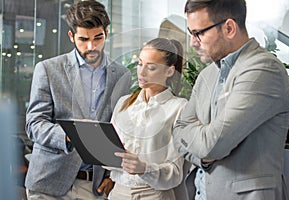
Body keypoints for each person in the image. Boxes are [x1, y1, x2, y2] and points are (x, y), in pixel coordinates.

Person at [173, 0, 289, 200]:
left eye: (199, 33)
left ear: (229, 28)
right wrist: (204, 156)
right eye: (191, 33)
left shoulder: (263, 70)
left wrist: (202, 139)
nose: (193, 42)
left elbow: (211, 145)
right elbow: (178, 132)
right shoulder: (208, 74)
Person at [25, 0, 131, 199]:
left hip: (94, 186)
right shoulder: (48, 69)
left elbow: (121, 128)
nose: (91, 46)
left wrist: (112, 176)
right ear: (71, 36)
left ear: (106, 34)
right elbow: (34, 124)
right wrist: (70, 135)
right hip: (48, 181)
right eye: (83, 39)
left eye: (98, 38)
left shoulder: (122, 76)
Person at [108, 38, 187, 200]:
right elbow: (110, 156)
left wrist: (144, 169)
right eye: (139, 64)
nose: (141, 72)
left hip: (154, 194)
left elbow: (176, 172)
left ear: (169, 71)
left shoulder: (179, 108)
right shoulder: (124, 103)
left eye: (151, 67)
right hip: (118, 192)